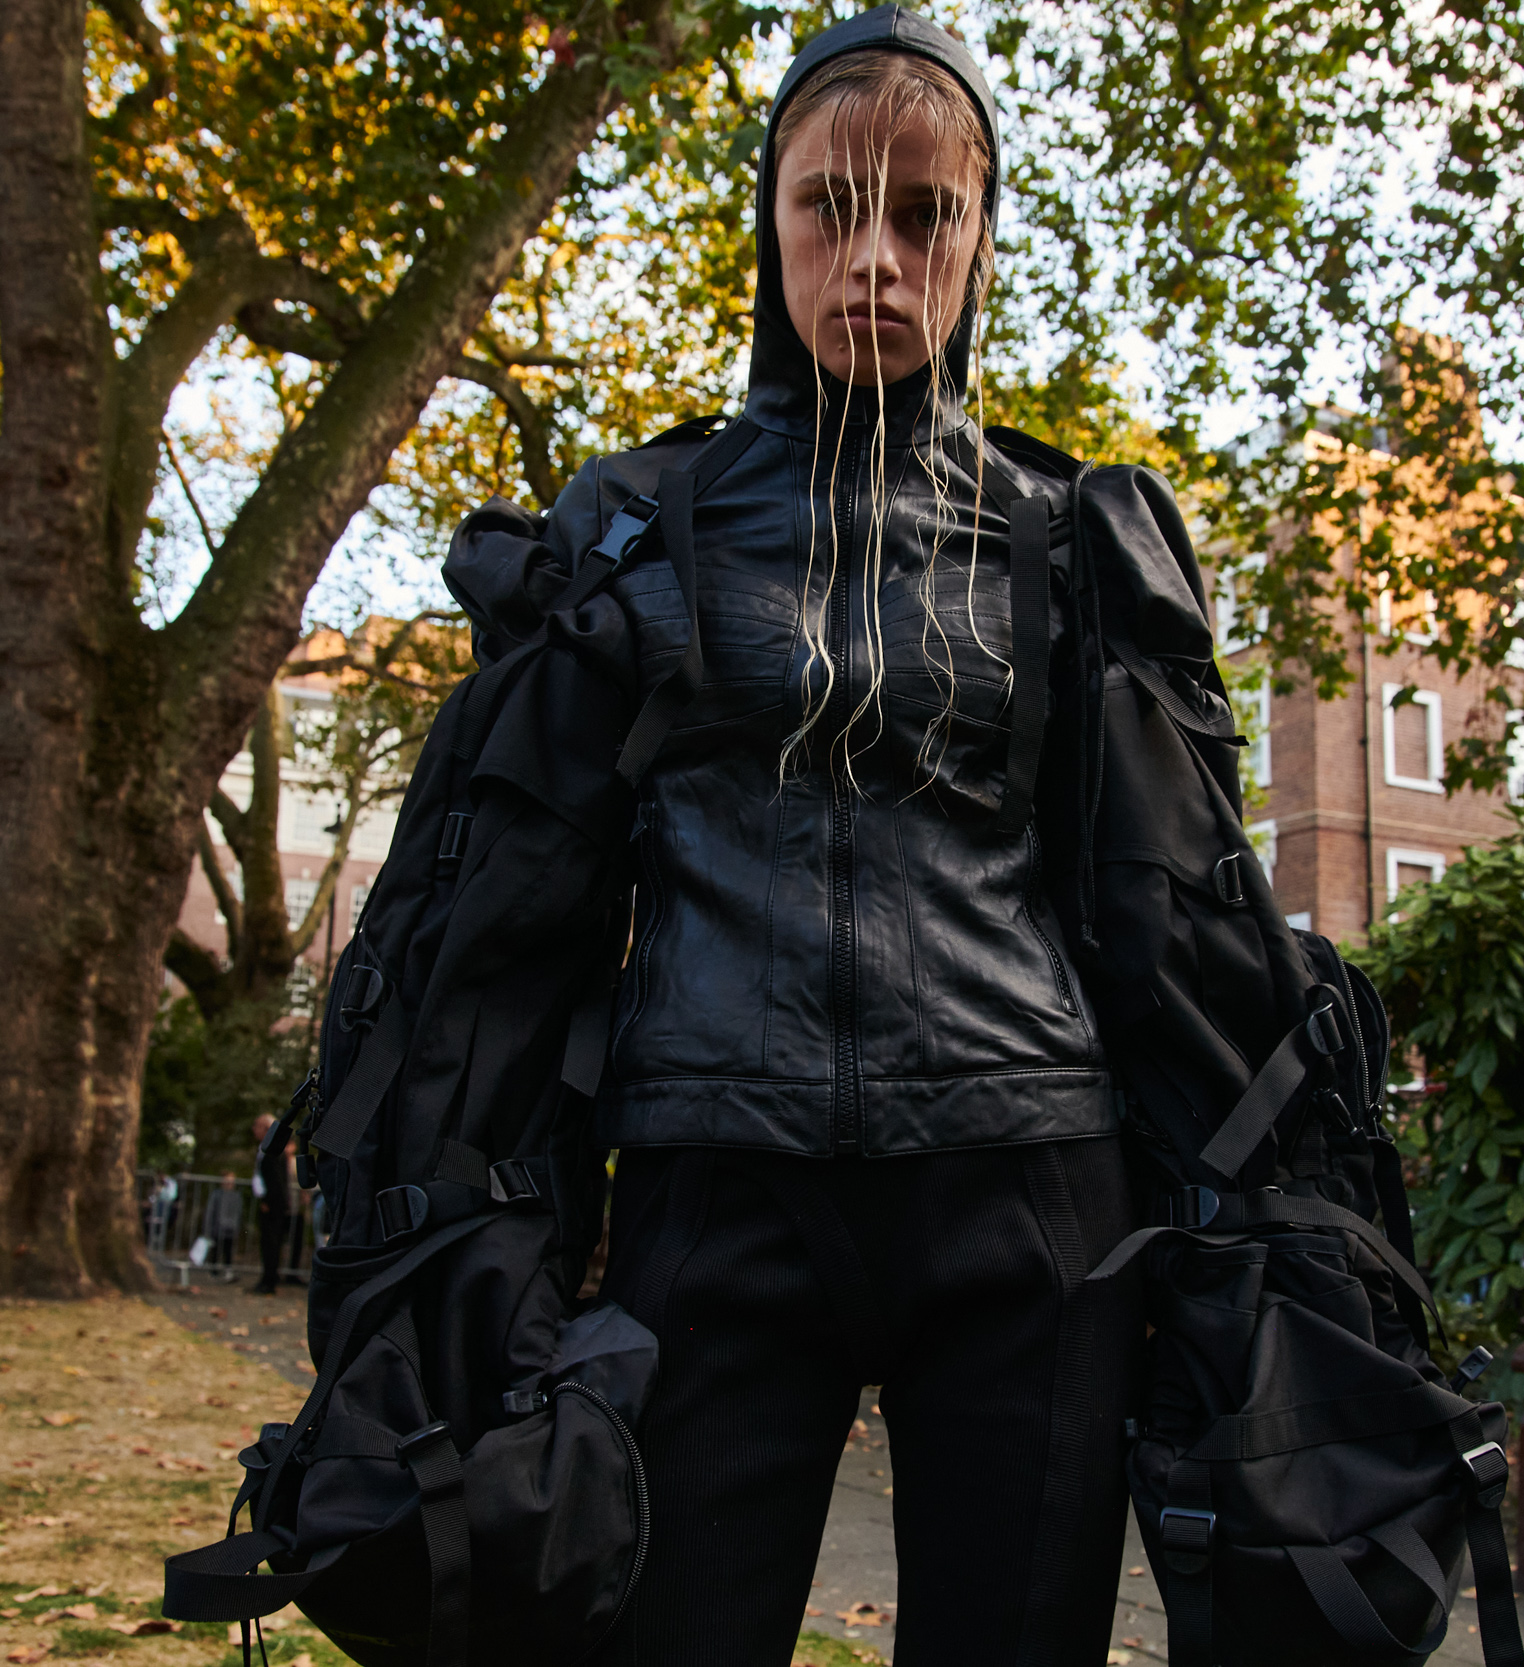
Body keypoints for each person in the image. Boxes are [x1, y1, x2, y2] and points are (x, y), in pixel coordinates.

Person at [447, 13, 1148, 1660]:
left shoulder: (1066, 539)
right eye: (833, 207)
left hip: (1029, 1196)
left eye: (927, 214)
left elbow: (1157, 914)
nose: (879, 259)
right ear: (769, 227)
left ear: (978, 238)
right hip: (715, 1184)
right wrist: (481, 1231)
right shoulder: (634, 528)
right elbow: (512, 923)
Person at [250, 1113, 291, 1295]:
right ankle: (268, 1278)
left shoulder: (273, 1150)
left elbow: (276, 1180)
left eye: (258, 1126)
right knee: (268, 1243)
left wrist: (268, 1200)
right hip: (270, 1202)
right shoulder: (266, 1148)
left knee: (271, 1243)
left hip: (273, 1205)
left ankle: (269, 1281)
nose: (254, 1130)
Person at [203, 1173, 244, 1278]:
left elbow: (238, 1213)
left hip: (230, 1228)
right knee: (216, 1249)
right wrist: (208, 1227)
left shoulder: (236, 1195)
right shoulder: (216, 1194)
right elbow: (210, 1211)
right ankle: (214, 1270)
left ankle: (228, 1270)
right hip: (217, 1228)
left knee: (228, 1249)